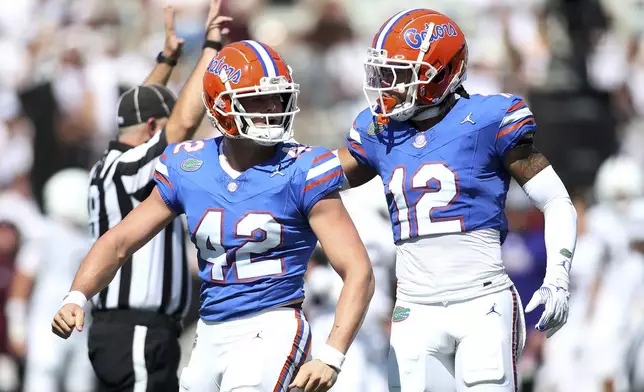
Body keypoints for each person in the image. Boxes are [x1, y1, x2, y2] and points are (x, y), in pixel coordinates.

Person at [52, 39, 375, 392]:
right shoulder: (188, 165)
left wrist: (331, 354)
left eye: (277, 96)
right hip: (210, 330)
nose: (272, 107)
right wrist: (76, 296)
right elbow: (118, 241)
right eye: (257, 99)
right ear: (221, 106)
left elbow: (357, 268)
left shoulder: (304, 167)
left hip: (272, 325)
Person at [334, 9, 578, 391]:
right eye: (384, 74)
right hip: (413, 308)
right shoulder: (377, 131)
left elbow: (556, 200)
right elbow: (315, 181)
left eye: (400, 75)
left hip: (481, 302)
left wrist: (558, 275)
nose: (387, 86)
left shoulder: (487, 118)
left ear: (440, 74)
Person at [51, 2, 232, 391]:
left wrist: (167, 60)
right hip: (136, 325)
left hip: (133, 328)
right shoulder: (133, 168)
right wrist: (212, 51)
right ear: (152, 127)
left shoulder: (113, 161)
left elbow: (142, 110)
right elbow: (181, 123)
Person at [7, 169, 95, 392]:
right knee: (43, 376)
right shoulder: (43, 233)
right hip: (45, 318)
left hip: (82, 322)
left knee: (81, 381)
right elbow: (23, 279)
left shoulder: (90, 238)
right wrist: (17, 326)